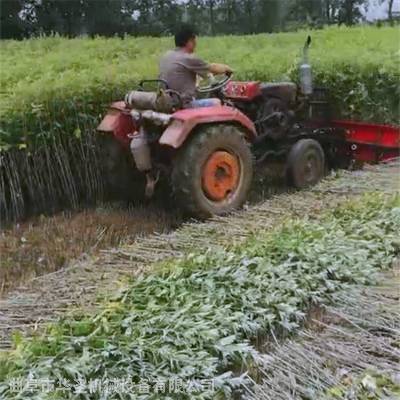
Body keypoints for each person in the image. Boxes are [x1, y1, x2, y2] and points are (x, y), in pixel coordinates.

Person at [159, 25, 232, 108]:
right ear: (190, 41)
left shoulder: (166, 56)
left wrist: (199, 80)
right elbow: (213, 68)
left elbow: (182, 73)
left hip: (169, 102)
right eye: (194, 40)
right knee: (217, 102)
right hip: (184, 104)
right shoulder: (189, 58)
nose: (195, 44)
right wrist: (227, 69)